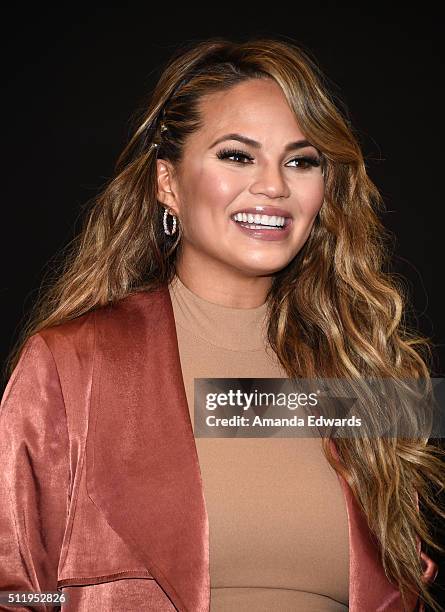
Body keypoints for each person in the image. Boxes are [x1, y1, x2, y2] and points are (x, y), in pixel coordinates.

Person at [0, 36, 444, 612]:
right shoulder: (72, 365)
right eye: (237, 155)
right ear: (168, 183)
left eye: (300, 160)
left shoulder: (362, 379)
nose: (274, 185)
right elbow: (16, 592)